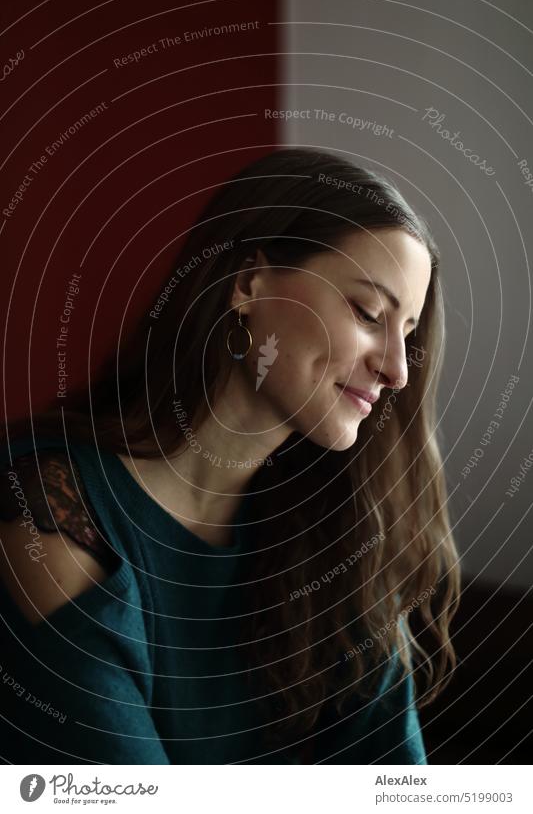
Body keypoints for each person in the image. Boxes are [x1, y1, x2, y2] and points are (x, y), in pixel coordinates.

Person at [0, 147, 461, 764]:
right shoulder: (53, 510)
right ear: (248, 284)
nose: (398, 371)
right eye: (367, 312)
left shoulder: (340, 540)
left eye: (407, 336)